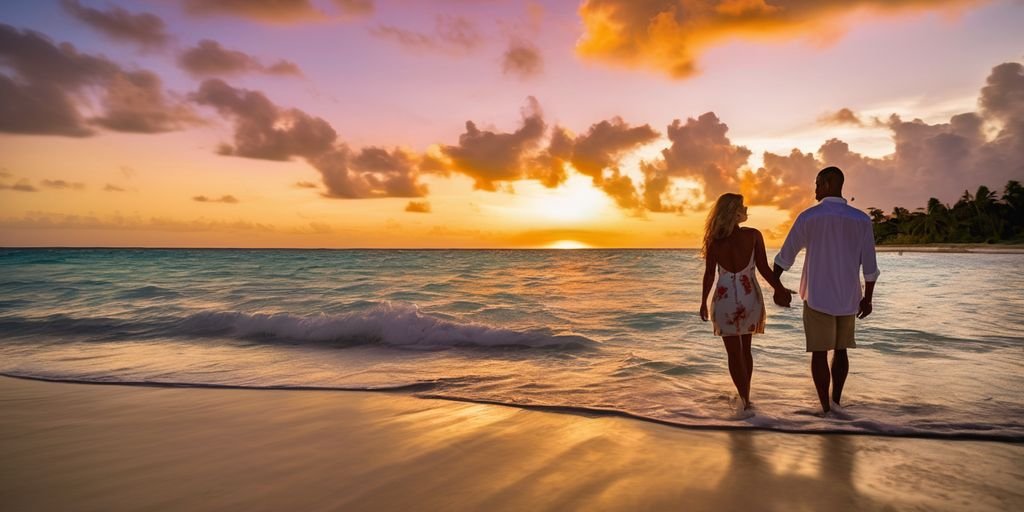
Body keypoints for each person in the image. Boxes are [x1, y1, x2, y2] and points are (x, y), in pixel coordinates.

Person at [772, 166, 880, 415]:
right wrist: (868, 299)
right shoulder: (861, 220)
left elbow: (784, 258)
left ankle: (825, 409)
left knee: (819, 353)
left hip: (817, 295)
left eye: (818, 183)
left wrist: (776, 285)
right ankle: (837, 402)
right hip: (849, 297)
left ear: (829, 184)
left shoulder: (809, 218)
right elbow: (870, 267)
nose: (815, 189)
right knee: (841, 351)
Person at [700, 193, 793, 410]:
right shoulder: (753, 235)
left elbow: (709, 275)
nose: (746, 207)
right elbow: (764, 269)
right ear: (735, 212)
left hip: (723, 300)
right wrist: (779, 288)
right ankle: (746, 398)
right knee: (746, 351)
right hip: (749, 298)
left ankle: (744, 400)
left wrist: (703, 301)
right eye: (742, 205)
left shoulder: (714, 241)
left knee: (734, 354)